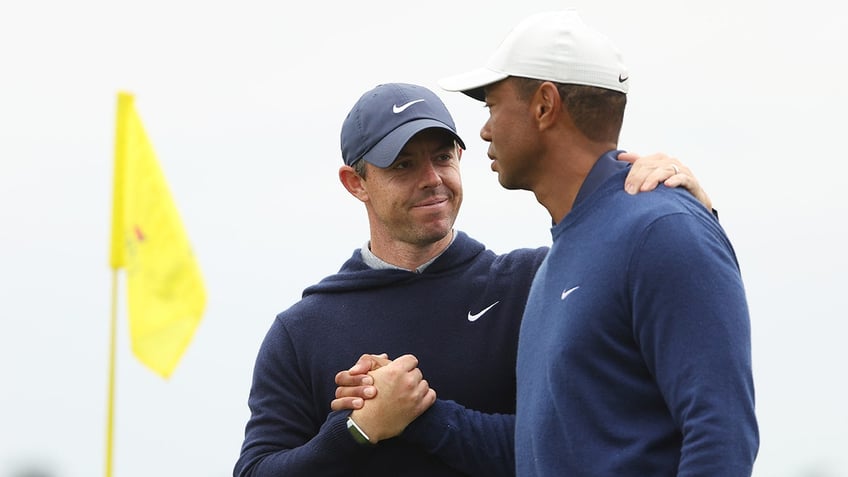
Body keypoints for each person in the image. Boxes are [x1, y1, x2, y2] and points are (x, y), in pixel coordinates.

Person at [233, 82, 712, 477]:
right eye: (403, 165)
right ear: (354, 182)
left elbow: (580, 442)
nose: (432, 179)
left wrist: (691, 208)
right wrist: (359, 429)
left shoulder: (535, 283)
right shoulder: (302, 331)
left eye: (442, 157)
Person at [435, 9, 759, 476]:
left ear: (545, 105)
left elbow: (721, 435)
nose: (484, 129)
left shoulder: (663, 229)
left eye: (491, 105)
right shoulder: (565, 254)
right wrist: (422, 416)